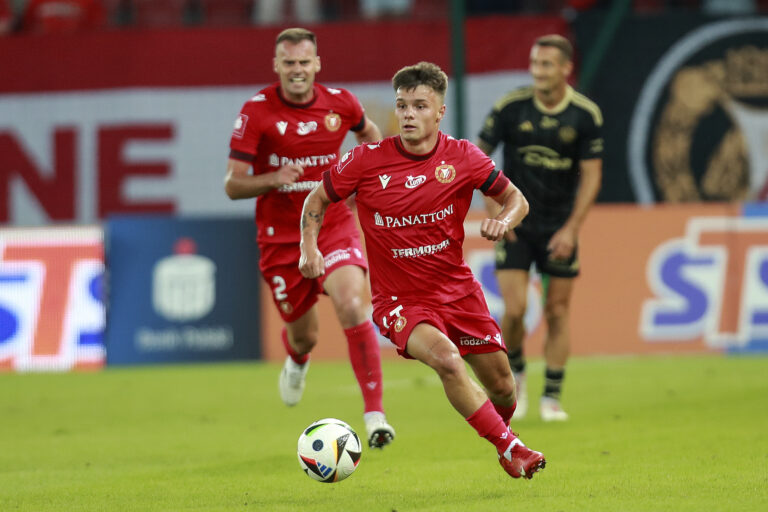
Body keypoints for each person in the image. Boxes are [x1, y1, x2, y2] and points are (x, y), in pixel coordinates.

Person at [300, 61, 546, 479]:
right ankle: (511, 447)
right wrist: (309, 249)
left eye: (419, 105)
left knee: (504, 388)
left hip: (458, 291)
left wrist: (503, 222)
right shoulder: (365, 161)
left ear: (439, 112)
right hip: (400, 301)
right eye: (402, 105)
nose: (408, 114)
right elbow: (315, 202)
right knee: (448, 361)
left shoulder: (464, 157)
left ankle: (503, 439)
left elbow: (516, 199)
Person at [225, 27, 395, 448]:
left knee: (353, 303)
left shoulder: (341, 103)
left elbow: (370, 136)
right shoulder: (257, 112)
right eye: (289, 63)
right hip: (280, 237)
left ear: (317, 64)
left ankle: (375, 416)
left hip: (332, 223)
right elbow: (232, 185)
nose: (297, 71)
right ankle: (298, 359)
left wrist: (366, 184)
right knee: (306, 335)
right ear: (276, 66)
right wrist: (272, 178)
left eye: (304, 62)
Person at [476, 34, 603, 421]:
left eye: (546, 65)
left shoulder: (585, 115)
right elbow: (477, 157)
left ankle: (552, 397)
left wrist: (572, 229)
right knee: (515, 309)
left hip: (558, 227)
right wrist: (499, 211)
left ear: (566, 69)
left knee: (558, 311)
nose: (537, 72)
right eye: (534, 64)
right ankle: (516, 374)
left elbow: (593, 176)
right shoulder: (511, 107)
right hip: (517, 223)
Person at [20, 0, 105, 33]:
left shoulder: (90, 3)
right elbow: (29, 29)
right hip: (45, 52)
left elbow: (97, 32)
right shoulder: (37, 2)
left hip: (79, 52)